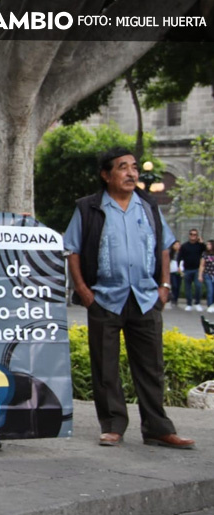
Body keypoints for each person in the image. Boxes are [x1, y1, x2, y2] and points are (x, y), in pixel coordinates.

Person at [64, 147, 194, 450]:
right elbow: (72, 250)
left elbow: (163, 247)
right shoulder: (88, 208)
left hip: (146, 299)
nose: (131, 173)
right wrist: (84, 291)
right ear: (106, 175)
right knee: (105, 366)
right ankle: (112, 425)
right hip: (105, 299)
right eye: (123, 167)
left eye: (134, 167)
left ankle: (158, 428)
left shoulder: (148, 205)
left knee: (151, 366)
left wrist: (164, 287)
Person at [178, 229, 204, 311]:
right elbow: (179, 257)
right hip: (187, 269)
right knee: (187, 288)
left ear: (197, 236)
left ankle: (197, 303)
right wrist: (179, 268)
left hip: (197, 269)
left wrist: (202, 242)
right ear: (189, 235)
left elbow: (206, 251)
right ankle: (189, 304)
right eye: (191, 234)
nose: (193, 236)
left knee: (198, 286)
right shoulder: (184, 246)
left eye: (195, 234)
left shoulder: (200, 246)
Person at [199, 240, 214, 313]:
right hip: (208, 274)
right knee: (210, 290)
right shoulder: (205, 254)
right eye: (207, 244)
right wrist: (200, 275)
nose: (207, 246)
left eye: (209, 244)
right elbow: (202, 265)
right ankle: (209, 305)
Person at [168, 241, 182, 309]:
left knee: (178, 286)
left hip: (179, 271)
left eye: (178, 244)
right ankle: (173, 299)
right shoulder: (170, 253)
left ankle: (176, 299)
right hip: (172, 271)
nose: (177, 246)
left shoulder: (181, 253)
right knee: (174, 285)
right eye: (175, 244)